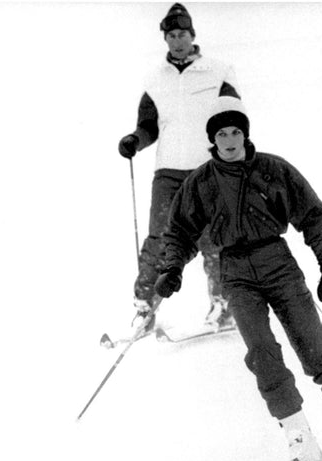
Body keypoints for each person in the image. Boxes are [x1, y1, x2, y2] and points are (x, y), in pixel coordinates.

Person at [153, 96, 322, 461]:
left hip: (278, 265)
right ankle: (300, 438)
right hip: (234, 273)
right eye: (222, 133)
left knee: (315, 353)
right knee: (262, 355)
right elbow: (179, 232)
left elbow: (313, 217)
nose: (230, 139)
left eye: (236, 131)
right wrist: (171, 269)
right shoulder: (199, 182)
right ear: (213, 139)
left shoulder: (273, 169)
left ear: (246, 134)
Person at [118, 3, 240, 331]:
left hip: (208, 170)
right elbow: (148, 126)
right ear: (165, 39)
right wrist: (135, 140)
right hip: (169, 171)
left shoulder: (218, 71)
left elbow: (233, 116)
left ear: (192, 35)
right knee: (161, 239)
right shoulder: (155, 80)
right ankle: (145, 308)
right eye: (171, 35)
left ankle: (223, 303)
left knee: (215, 238)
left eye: (182, 34)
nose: (177, 41)